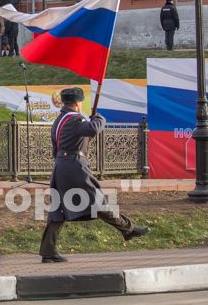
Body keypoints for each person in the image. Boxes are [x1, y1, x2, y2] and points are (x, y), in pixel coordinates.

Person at [40, 87, 148, 262]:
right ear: (77, 103)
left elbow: (58, 146)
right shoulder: (76, 118)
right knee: (97, 201)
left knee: (58, 211)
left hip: (60, 166)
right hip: (75, 167)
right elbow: (92, 130)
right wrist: (99, 117)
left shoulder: (59, 120)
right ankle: (128, 230)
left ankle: (48, 252)